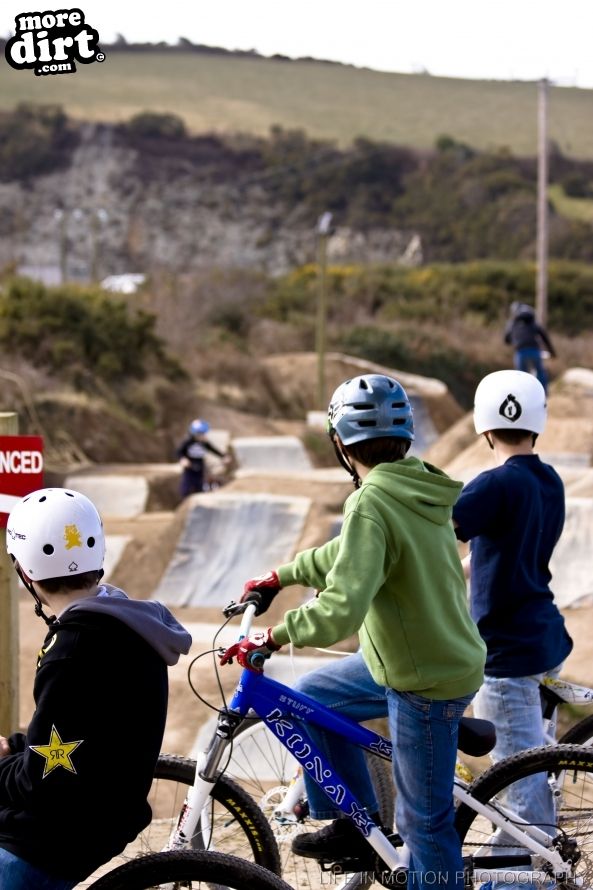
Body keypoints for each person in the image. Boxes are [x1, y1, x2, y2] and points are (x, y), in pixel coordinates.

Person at [221, 373, 486, 890]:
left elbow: (342, 609)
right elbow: (349, 557)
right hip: (420, 655)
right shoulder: (411, 484)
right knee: (312, 695)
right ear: (406, 436)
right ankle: (355, 825)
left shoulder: (372, 501)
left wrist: (272, 636)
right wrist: (284, 575)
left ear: (339, 443)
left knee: (424, 826)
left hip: (424, 680)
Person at [0, 487, 192, 890]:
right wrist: (16, 748)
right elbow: (75, 735)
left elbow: (42, 780)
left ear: (24, 571)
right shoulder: (128, 624)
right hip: (102, 812)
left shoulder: (71, 649)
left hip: (55, 838)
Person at [452, 370, 573, 848]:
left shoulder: (490, 486)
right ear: (537, 423)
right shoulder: (548, 481)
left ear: (483, 428)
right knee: (526, 764)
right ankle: (516, 856)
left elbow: (431, 544)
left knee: (518, 781)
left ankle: (529, 874)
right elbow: (496, 549)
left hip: (507, 652)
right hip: (545, 636)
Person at [503, 302, 556, 394]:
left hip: (520, 351)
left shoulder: (513, 323)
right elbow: (544, 336)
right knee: (540, 372)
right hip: (535, 350)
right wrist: (552, 352)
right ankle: (543, 394)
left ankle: (522, 396)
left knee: (521, 376)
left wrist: (515, 340)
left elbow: (506, 339)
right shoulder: (532, 322)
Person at [176, 418, 230, 499]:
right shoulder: (188, 442)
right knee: (186, 486)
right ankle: (184, 501)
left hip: (200, 466)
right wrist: (183, 459)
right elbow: (179, 452)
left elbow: (213, 449)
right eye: (201, 434)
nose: (203, 436)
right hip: (190, 468)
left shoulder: (204, 443)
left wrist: (224, 456)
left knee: (200, 486)